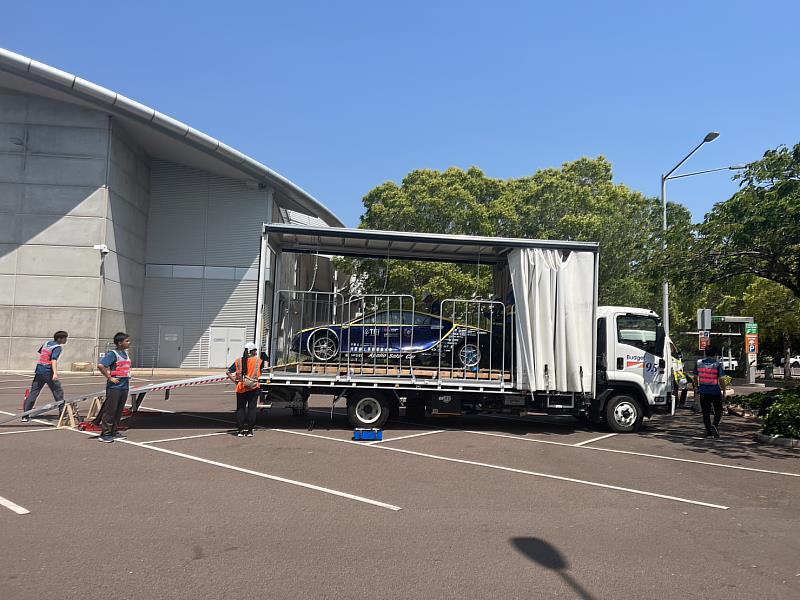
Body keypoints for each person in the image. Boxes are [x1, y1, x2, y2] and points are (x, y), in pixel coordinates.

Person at [22, 331, 68, 422]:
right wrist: (55, 373)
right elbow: (53, 360)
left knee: (34, 392)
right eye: (65, 338)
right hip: (48, 371)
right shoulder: (57, 347)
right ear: (59, 339)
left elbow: (41, 352)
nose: (66, 340)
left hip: (39, 370)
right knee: (58, 392)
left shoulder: (47, 343)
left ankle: (25, 415)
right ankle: (62, 413)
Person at [96, 332, 132, 443]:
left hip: (124, 386)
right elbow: (101, 365)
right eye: (127, 341)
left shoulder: (125, 354)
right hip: (115, 387)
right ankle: (105, 434)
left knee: (119, 410)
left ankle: (113, 431)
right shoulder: (113, 354)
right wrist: (110, 377)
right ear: (120, 343)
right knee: (111, 410)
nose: (128, 343)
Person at [226, 342, 264, 437]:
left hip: (241, 387)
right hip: (254, 387)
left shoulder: (238, 361)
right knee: (252, 409)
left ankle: (240, 430)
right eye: (255, 350)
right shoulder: (259, 361)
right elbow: (261, 373)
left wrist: (235, 381)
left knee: (240, 409)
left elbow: (228, 372)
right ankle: (250, 431)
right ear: (252, 351)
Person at [695, 355, 725, 438]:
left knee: (706, 412)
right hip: (715, 391)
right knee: (719, 410)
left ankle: (709, 433)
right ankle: (714, 425)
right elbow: (721, 379)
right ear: (715, 354)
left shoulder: (699, 363)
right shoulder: (717, 364)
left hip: (703, 391)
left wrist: (697, 387)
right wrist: (724, 390)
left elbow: (695, 377)